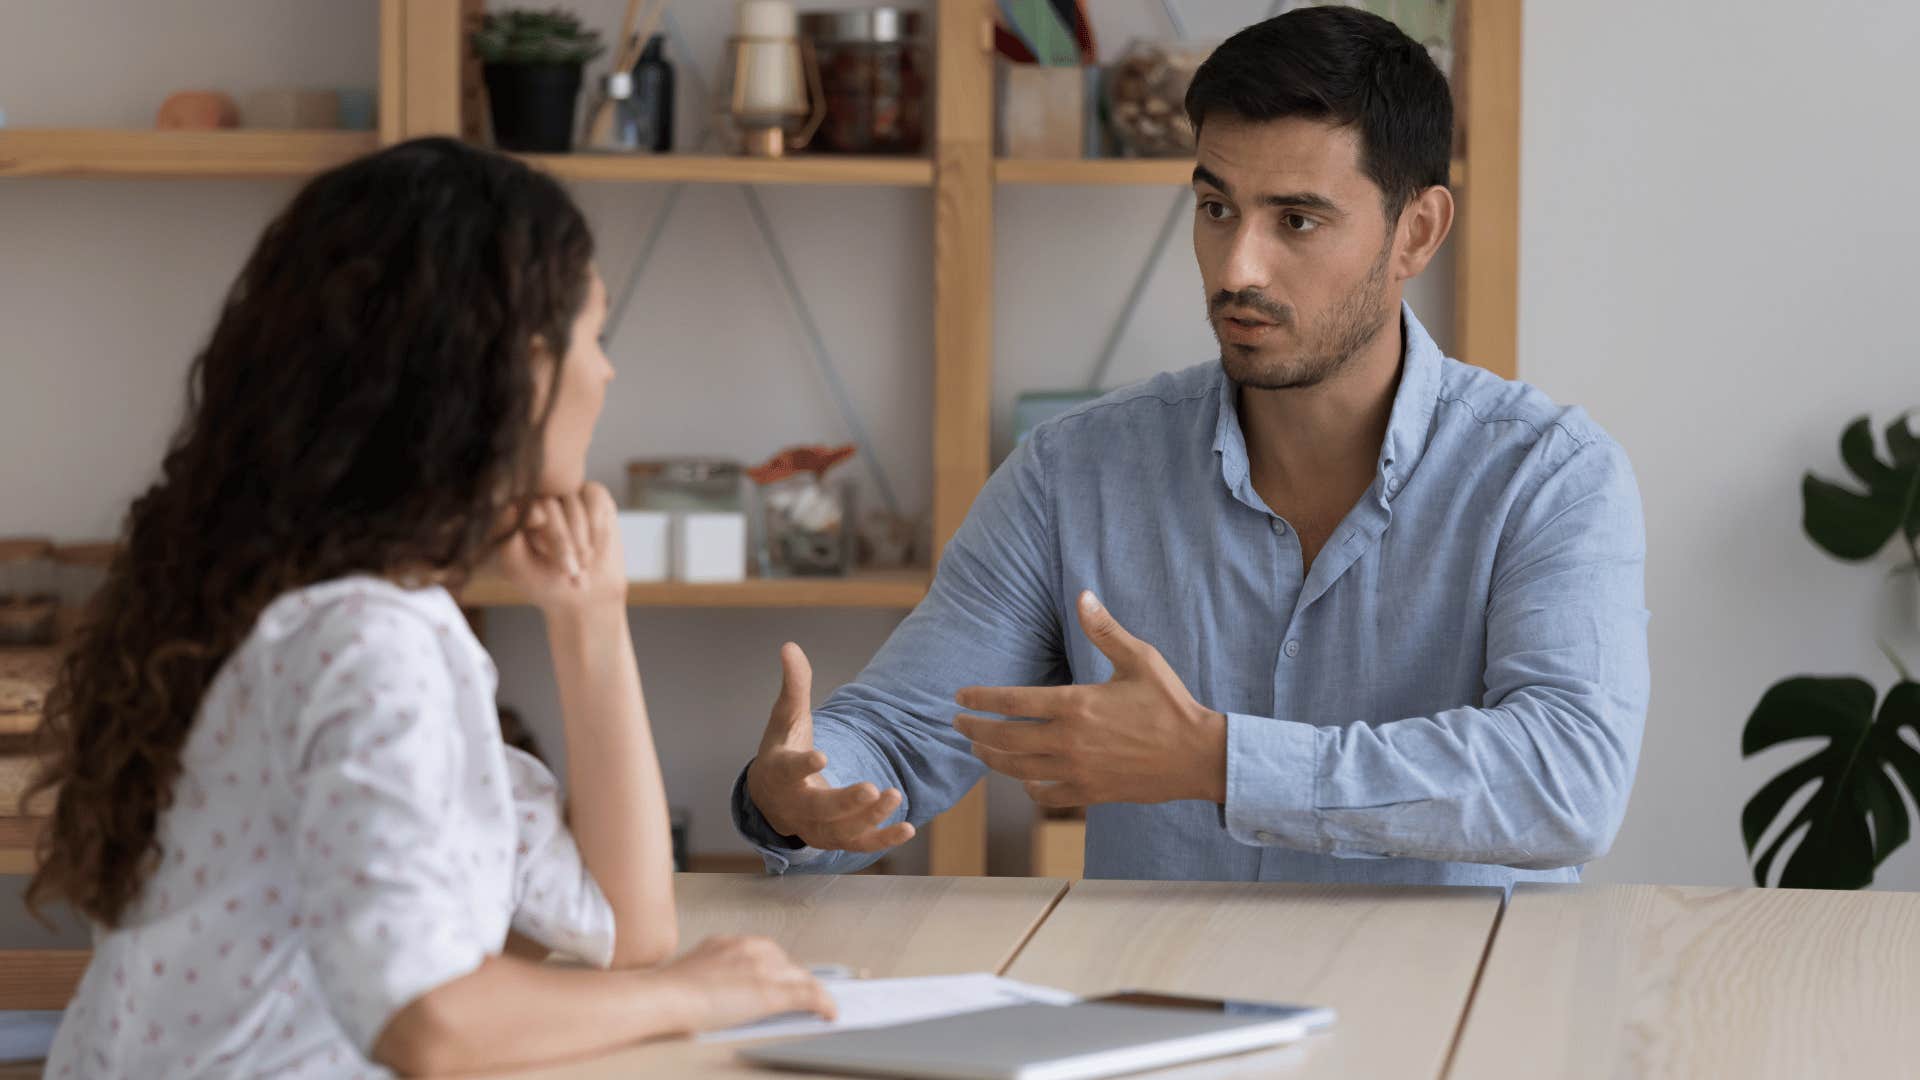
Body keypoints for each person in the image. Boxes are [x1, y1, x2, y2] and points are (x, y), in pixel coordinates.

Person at [734, 6, 1649, 887]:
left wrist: (1219, 761)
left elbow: (1567, 782)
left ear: (1417, 231)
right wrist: (796, 794)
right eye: (1217, 209)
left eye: (1296, 220)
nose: (1238, 268)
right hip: (1163, 1023)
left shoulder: (1551, 478)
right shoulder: (1071, 477)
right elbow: (899, 737)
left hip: (1456, 1029)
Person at [26, 137, 831, 1077]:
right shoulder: (362, 641)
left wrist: (590, 616)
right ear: (520, 372)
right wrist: (696, 997)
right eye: (592, 335)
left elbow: (627, 927)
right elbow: (428, 1020)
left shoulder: (347, 620)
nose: (607, 374)